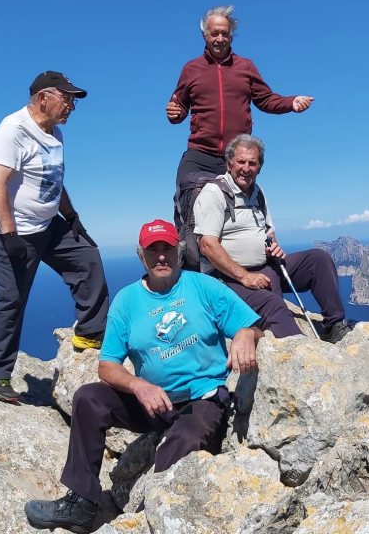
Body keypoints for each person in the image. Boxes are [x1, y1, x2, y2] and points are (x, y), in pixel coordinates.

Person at [24, 219, 262, 532]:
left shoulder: (202, 287)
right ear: (141, 256)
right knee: (88, 399)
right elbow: (107, 364)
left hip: (202, 399)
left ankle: (157, 521)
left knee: (179, 446)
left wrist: (246, 334)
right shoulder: (126, 301)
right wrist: (138, 385)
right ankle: (81, 503)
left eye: (167, 248)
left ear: (178, 252)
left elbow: (253, 323)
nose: (161, 256)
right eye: (153, 250)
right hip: (155, 403)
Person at [0, 71, 109, 404]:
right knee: (12, 298)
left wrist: (72, 216)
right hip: (10, 228)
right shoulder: (13, 130)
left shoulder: (55, 133)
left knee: (87, 257)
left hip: (46, 224)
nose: (71, 107)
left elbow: (53, 180)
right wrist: (9, 235)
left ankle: (90, 333)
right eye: (68, 99)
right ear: (43, 97)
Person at [167, 5, 314, 268]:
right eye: (214, 33)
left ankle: (240, 272)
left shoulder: (245, 67)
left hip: (234, 158)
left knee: (240, 215)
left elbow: (266, 100)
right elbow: (178, 107)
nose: (219, 39)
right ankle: (193, 277)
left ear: (231, 36)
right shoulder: (191, 69)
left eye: (224, 33)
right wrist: (174, 113)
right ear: (205, 35)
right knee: (191, 216)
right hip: (199, 154)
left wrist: (291, 103)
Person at [193, 134, 354, 343]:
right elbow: (207, 245)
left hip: (265, 265)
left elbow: (268, 232)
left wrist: (273, 247)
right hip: (227, 277)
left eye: (253, 163)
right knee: (274, 305)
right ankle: (299, 355)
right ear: (229, 163)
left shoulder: (258, 193)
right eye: (241, 162)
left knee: (319, 260)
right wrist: (245, 277)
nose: (246, 168)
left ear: (260, 167)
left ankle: (333, 326)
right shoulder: (214, 193)